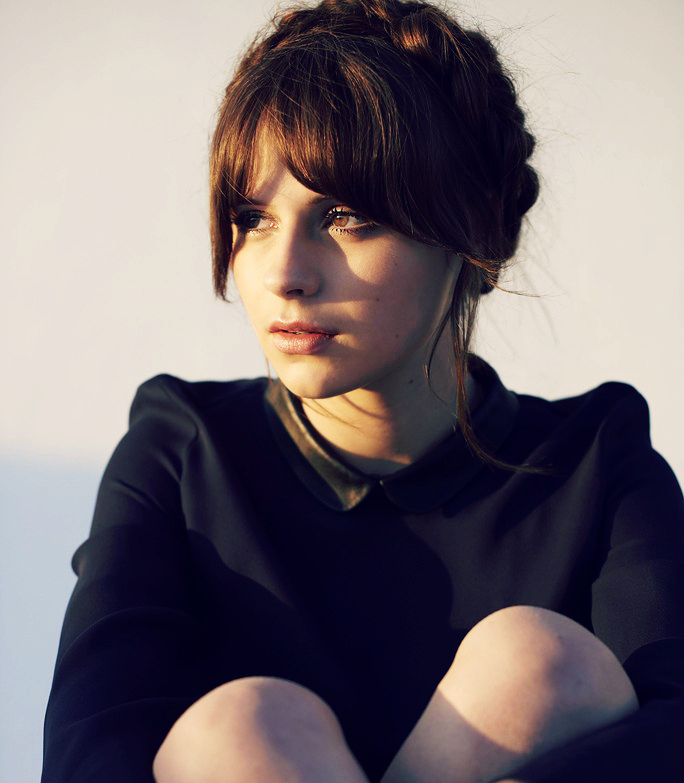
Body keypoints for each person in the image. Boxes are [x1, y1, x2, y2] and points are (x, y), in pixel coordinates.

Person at [41, 1, 684, 781]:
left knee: (542, 664)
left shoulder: (597, 461)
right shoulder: (183, 451)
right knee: (248, 727)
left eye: (344, 216)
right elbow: (90, 745)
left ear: (476, 233)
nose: (284, 274)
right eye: (253, 217)